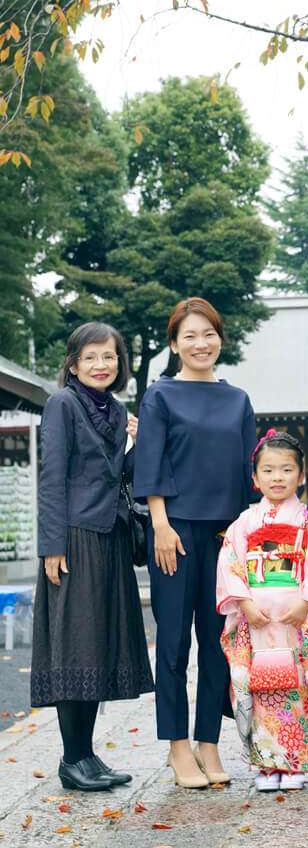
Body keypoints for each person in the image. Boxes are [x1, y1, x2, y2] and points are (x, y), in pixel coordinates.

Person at [133, 297, 256, 789]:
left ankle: (209, 742)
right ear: (174, 343)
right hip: (175, 531)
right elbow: (152, 462)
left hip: (226, 533)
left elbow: (249, 471)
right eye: (190, 336)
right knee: (174, 643)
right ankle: (177, 747)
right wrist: (160, 525)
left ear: (219, 338)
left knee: (218, 642)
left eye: (208, 334)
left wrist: (246, 528)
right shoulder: (160, 395)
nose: (200, 343)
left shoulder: (238, 399)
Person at [31, 322, 153, 792]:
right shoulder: (63, 403)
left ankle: (87, 754)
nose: (102, 365)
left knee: (97, 646)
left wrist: (135, 444)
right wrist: (51, 546)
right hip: (75, 537)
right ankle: (72, 758)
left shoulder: (117, 410)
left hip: (111, 535)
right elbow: (53, 476)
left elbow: (120, 475)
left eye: (110, 356)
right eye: (92, 357)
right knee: (75, 645)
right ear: (73, 364)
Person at [217, 430, 308, 792]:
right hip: (255, 621)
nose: (277, 478)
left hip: (296, 620)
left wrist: (307, 603)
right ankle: (266, 765)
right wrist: (245, 603)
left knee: (297, 688)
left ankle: (295, 764)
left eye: (286, 470)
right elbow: (230, 562)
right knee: (258, 688)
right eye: (268, 471)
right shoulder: (244, 522)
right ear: (255, 478)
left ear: (302, 475)